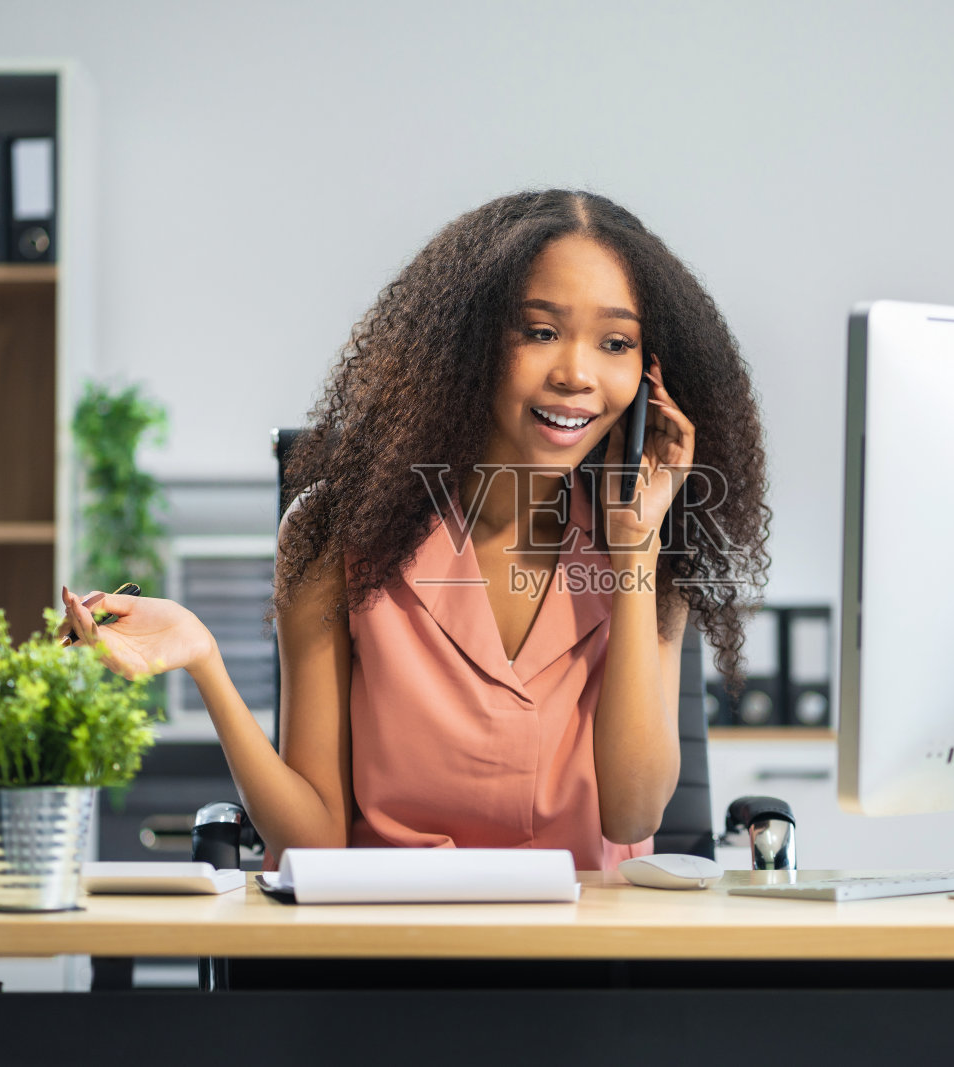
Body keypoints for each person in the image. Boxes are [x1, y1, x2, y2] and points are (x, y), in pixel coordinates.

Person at [60, 190, 770, 869]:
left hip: (582, 958)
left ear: (648, 378)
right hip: (392, 953)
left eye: (615, 342)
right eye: (541, 331)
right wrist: (204, 656)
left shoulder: (653, 544)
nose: (577, 373)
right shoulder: (337, 534)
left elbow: (634, 813)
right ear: (469, 345)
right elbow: (315, 844)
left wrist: (634, 551)